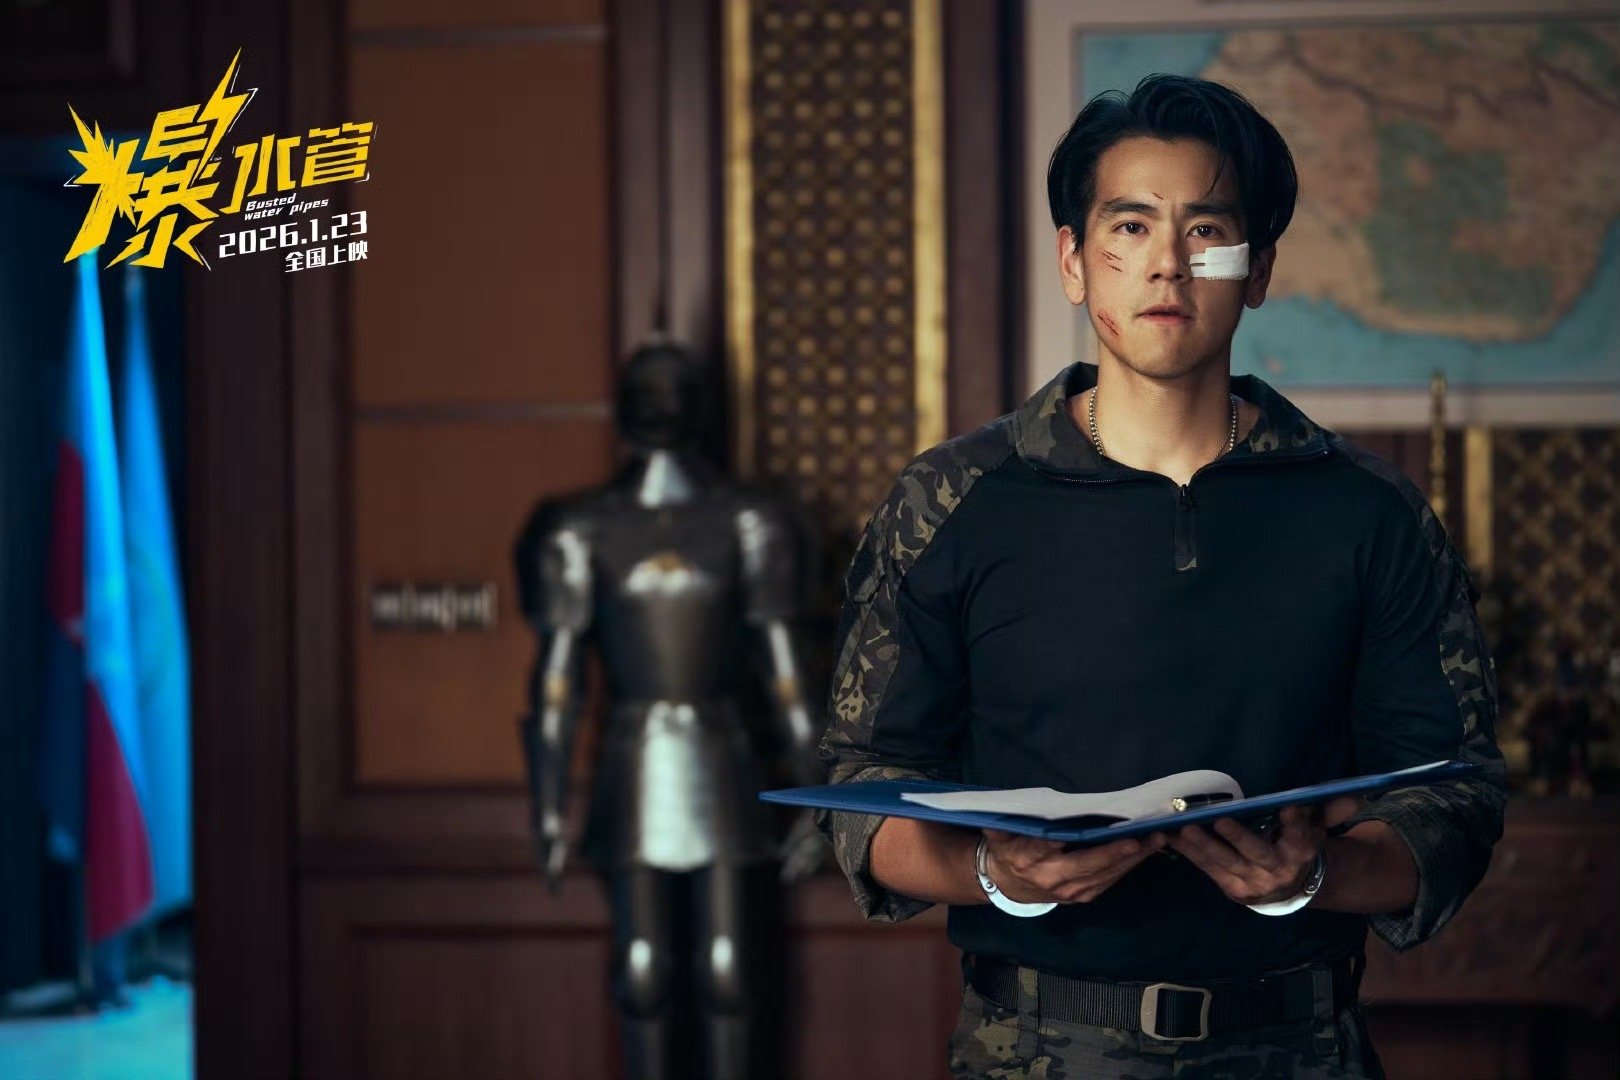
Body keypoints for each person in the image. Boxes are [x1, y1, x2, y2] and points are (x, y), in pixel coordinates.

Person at [814, 74, 1506, 1079]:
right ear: (1073, 260)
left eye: (1206, 231)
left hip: (1299, 1046)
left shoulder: (1370, 512)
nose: (1168, 264)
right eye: (1130, 227)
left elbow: (1456, 793)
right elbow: (859, 783)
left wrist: (1316, 875)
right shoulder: (950, 501)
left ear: (1257, 270)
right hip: (1033, 1049)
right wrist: (994, 872)